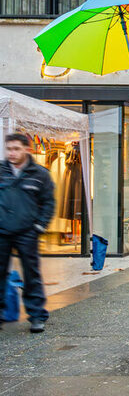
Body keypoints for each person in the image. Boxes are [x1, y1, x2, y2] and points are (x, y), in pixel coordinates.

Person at [0, 133, 54, 333]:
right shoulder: (1, 171)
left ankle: (37, 315)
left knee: (31, 274)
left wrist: (39, 226)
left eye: (16, 149)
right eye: (9, 149)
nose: (12, 153)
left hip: (26, 232)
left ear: (27, 149)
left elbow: (48, 202)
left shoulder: (39, 174)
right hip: (2, 231)